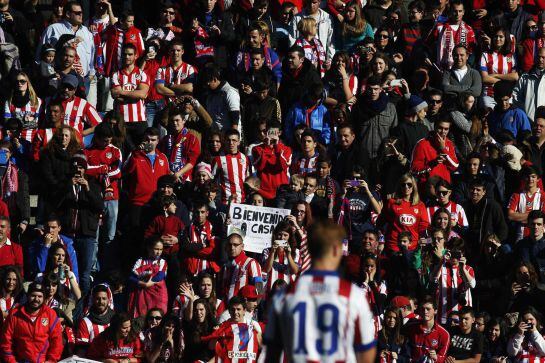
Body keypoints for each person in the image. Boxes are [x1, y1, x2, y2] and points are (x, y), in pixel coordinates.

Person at [264, 220, 376, 362]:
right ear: (337, 250)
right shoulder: (354, 296)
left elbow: (272, 354)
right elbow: (366, 352)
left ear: (309, 248)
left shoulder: (284, 295)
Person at [0, 282, 63, 363]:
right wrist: (12, 361)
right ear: (27, 296)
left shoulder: (50, 314)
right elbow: (6, 342)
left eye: (40, 296)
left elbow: (57, 342)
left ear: (44, 298)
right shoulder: (15, 314)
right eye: (33, 296)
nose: (36, 299)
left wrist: (51, 360)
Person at [201, 296, 262, 361]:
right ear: (229, 311)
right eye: (233, 310)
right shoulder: (223, 326)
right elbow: (211, 347)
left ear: (244, 311)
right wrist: (216, 335)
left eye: (238, 309)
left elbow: (261, 347)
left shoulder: (253, 325)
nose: (235, 312)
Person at [111, 43, 150, 143]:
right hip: (121, 121)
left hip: (139, 120)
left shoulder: (142, 74)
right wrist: (135, 94)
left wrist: (122, 92)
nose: (127, 57)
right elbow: (115, 95)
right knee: (122, 153)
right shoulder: (116, 75)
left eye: (130, 54)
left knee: (139, 152)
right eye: (125, 54)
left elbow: (142, 94)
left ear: (136, 56)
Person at [382, 173, 429, 253]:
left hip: (412, 247)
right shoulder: (392, 202)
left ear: (413, 186)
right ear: (400, 186)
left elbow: (423, 226)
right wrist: (381, 242)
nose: (406, 187)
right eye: (403, 185)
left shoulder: (420, 205)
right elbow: (382, 222)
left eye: (409, 184)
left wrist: (423, 241)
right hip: (394, 245)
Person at [427, 0, 476, 71]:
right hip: (442, 70)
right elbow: (428, 44)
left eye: (460, 11)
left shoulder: (468, 30)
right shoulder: (440, 27)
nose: (457, 14)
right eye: (455, 11)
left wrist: (468, 66)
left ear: (463, 12)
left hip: (462, 71)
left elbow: (472, 52)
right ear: (450, 12)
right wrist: (427, 57)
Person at [218, 227, 263, 300]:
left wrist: (251, 307)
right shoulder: (224, 266)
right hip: (226, 309)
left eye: (235, 245)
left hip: (243, 309)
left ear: (242, 246)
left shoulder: (251, 263)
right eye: (229, 245)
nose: (232, 248)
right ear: (226, 247)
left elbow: (259, 289)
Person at [159, 106, 201, 183]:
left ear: (184, 120)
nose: (175, 123)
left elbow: (192, 161)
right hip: (168, 176)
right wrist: (170, 172)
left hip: (184, 178)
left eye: (177, 120)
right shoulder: (165, 139)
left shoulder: (192, 138)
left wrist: (178, 174)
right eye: (172, 121)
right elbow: (161, 158)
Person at [412, 119, 459, 187]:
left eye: (446, 129)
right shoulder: (422, 144)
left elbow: (455, 166)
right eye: (440, 128)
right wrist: (432, 164)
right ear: (435, 127)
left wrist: (443, 149)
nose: (443, 132)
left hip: (444, 189)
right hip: (427, 189)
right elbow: (413, 169)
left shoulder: (449, 144)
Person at [127, 239, 168, 318]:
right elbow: (131, 277)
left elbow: (160, 276)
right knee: (141, 315)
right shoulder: (140, 261)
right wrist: (142, 284)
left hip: (157, 293)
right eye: (156, 249)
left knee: (157, 315)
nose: (159, 252)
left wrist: (149, 283)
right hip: (141, 294)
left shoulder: (162, 262)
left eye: (161, 249)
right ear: (149, 248)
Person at [405, 296, 451, 363]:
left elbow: (443, 357)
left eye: (428, 309)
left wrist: (436, 357)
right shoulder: (412, 328)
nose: (425, 311)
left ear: (435, 311)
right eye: (423, 309)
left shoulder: (444, 334)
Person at [211, 129, 250, 204]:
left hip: (242, 202)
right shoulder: (218, 159)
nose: (231, 143)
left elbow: (247, 179)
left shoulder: (245, 158)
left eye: (234, 140)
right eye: (228, 140)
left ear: (238, 142)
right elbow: (212, 180)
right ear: (225, 141)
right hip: (225, 202)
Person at [75, 284, 114, 356]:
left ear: (108, 300)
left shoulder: (116, 320)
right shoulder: (85, 322)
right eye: (98, 298)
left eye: (104, 298)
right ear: (93, 300)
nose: (101, 302)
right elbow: (81, 350)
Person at [512, 47, 545, 122]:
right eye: (539, 57)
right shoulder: (525, 77)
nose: (540, 60)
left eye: (543, 57)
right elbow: (515, 96)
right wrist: (523, 111)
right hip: (528, 121)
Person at [514, 210, 545, 283]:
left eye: (539, 224)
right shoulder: (521, 245)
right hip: (526, 288)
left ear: (543, 226)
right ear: (528, 225)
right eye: (533, 224)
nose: (535, 227)